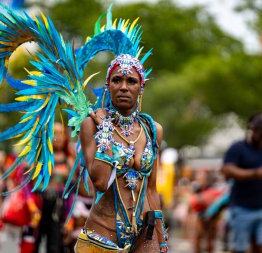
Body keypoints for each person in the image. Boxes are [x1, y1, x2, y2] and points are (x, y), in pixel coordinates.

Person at [77, 53, 168, 253]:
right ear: (108, 85)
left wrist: (162, 242)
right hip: (103, 233)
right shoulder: (91, 125)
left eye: (131, 81)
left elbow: (152, 190)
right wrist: (106, 130)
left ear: (141, 87)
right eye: (117, 80)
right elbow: (100, 182)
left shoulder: (153, 130)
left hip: (145, 233)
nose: (124, 87)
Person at [221, 112, 262, 253]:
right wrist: (254, 173)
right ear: (252, 130)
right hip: (243, 208)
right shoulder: (238, 147)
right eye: (261, 136)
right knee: (241, 249)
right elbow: (227, 170)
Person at [34, 122, 75, 253]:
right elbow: (31, 183)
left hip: (57, 210)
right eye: (54, 133)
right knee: (33, 243)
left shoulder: (69, 161)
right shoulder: (41, 158)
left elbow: (72, 191)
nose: (58, 137)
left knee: (54, 246)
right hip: (39, 207)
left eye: (61, 133)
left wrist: (70, 217)